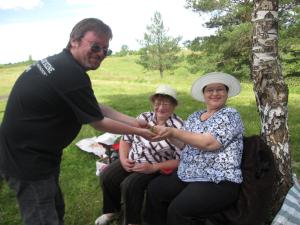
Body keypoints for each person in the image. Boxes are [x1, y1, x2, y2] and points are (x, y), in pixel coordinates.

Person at [0, 18, 156, 225]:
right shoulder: (70, 73)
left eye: (105, 50)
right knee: (41, 216)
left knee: (55, 208)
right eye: (95, 46)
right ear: (74, 41)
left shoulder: (60, 63)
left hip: (35, 153)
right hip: (27, 158)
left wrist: (135, 122)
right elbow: (98, 122)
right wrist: (142, 133)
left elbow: (94, 106)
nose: (100, 53)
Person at [144, 72, 245, 225]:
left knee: (179, 210)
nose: (215, 93)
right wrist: (166, 134)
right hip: (189, 173)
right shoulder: (194, 116)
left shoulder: (230, 115)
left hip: (218, 179)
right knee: (155, 189)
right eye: (210, 90)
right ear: (203, 94)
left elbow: (209, 143)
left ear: (227, 93)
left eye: (220, 89)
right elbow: (183, 144)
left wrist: (174, 131)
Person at [95, 84, 185, 225]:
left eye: (166, 104)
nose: (161, 108)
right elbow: (126, 140)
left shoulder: (179, 126)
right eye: (157, 103)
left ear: (174, 105)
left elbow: (183, 159)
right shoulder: (144, 117)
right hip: (132, 159)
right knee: (107, 176)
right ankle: (112, 211)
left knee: (130, 185)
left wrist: (153, 167)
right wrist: (123, 159)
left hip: (155, 165)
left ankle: (132, 221)